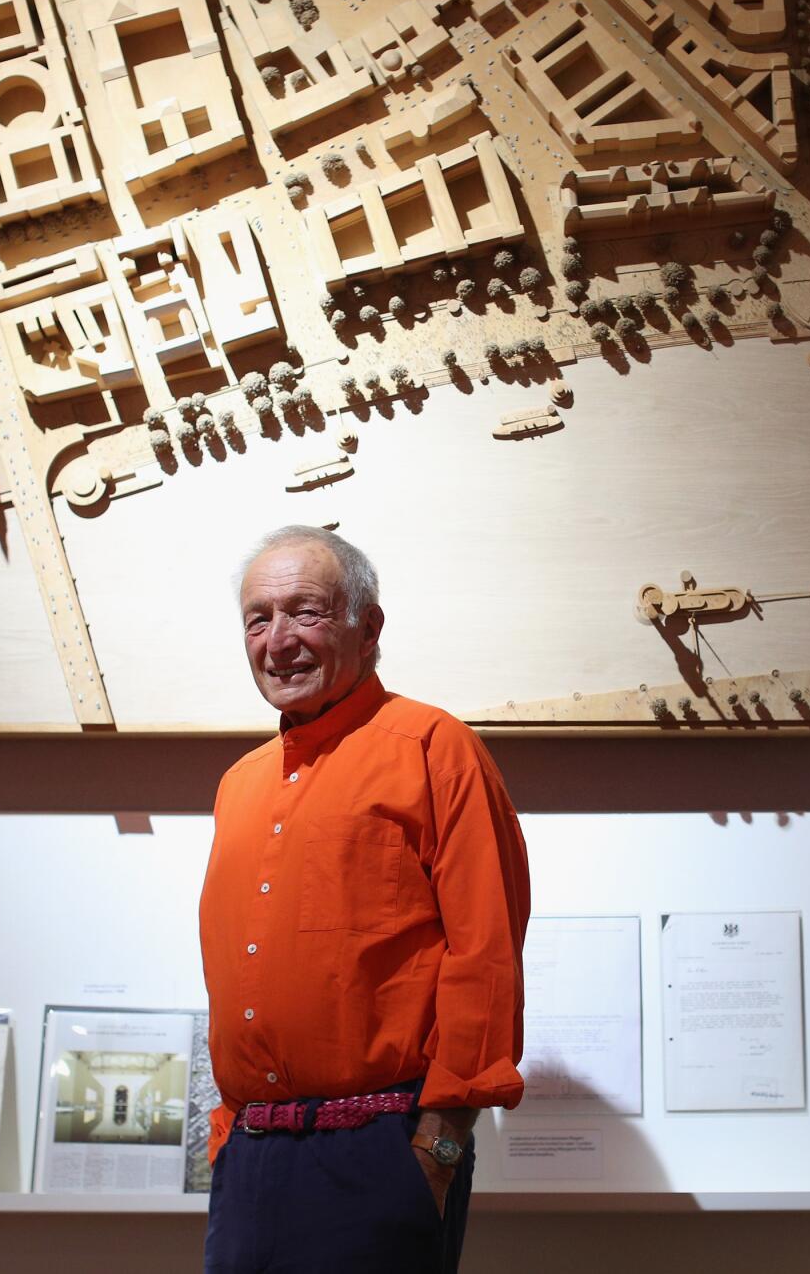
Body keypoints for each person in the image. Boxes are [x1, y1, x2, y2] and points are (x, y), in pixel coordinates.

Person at [200, 526, 531, 1274]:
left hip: (382, 1154)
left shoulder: (435, 747)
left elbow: (486, 953)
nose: (279, 639)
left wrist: (438, 1150)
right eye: (259, 617)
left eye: (305, 611)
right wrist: (227, 1136)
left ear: (368, 625)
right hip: (249, 1158)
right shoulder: (238, 784)